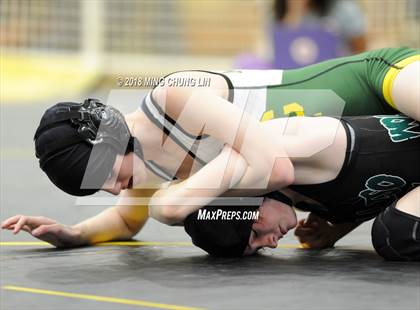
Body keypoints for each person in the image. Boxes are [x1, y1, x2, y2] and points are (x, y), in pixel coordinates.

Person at [1, 47, 418, 259]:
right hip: (375, 146)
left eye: (107, 175)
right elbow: (127, 222)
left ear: (111, 134)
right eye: (99, 187)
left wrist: (176, 203)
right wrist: (70, 234)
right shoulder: (146, 166)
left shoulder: (173, 97)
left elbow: (269, 161)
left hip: (379, 81)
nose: (113, 190)